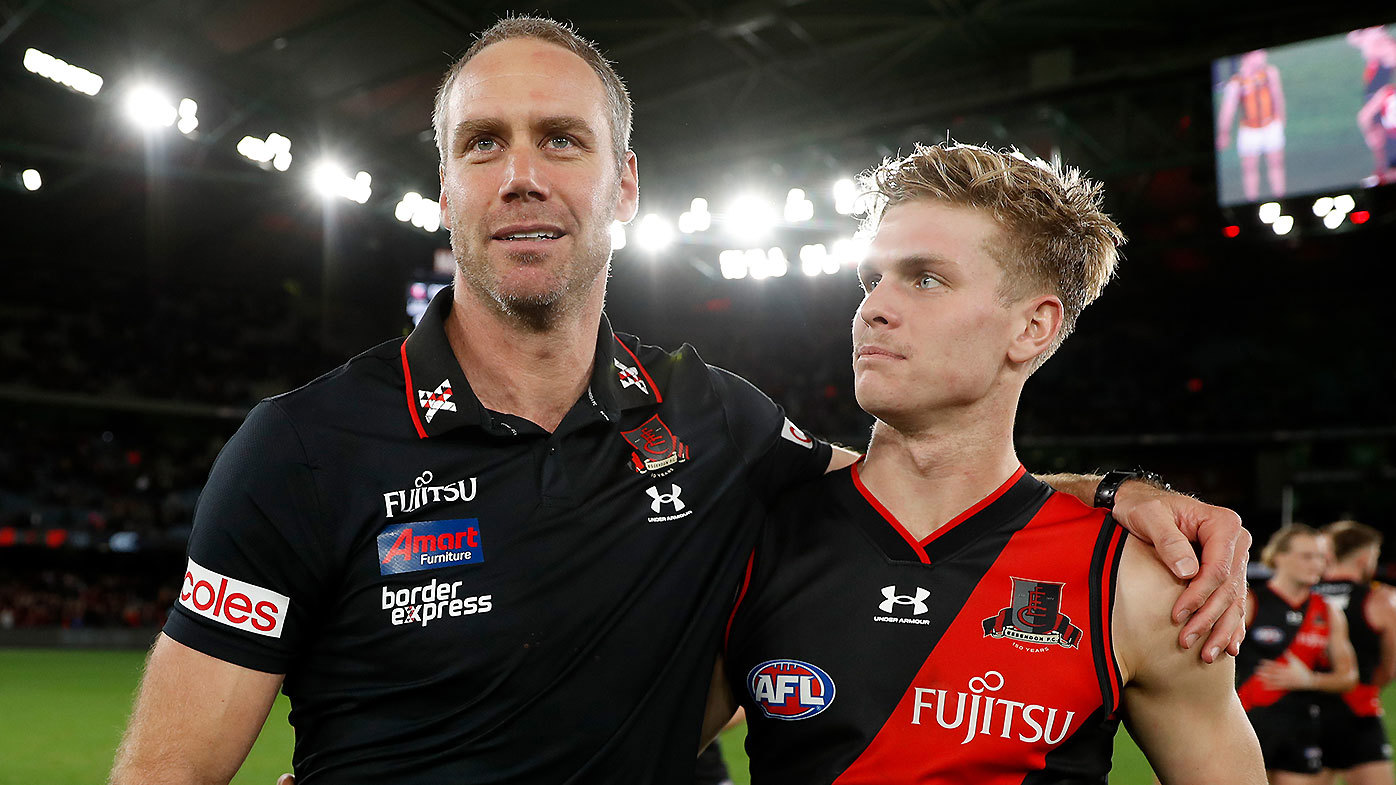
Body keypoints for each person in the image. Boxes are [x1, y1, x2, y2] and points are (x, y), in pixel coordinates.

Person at [108, 17, 1250, 785]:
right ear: (444, 184)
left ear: (625, 187)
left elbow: (924, 488)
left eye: (562, 139)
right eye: (481, 143)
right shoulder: (304, 446)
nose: (521, 174)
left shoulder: (718, 421)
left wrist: (1117, 492)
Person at [714, 142, 1264, 784]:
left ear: (1032, 328)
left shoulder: (1132, 582)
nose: (872, 309)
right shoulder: (754, 540)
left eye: (925, 279)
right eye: (872, 280)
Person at [1238, 524, 1358, 783]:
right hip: (1247, 726)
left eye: (1321, 557)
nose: (1317, 564)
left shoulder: (1328, 613)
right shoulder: (1249, 602)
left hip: (1300, 731)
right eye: (1307, 556)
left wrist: (1309, 680)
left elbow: (1348, 677)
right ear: (1278, 556)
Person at [1314, 521, 1396, 785]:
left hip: (1306, 713)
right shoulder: (1381, 599)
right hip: (1358, 711)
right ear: (1364, 557)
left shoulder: (1303, 596)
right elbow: (1392, 666)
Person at [1216, 49, 1288, 202]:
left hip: (1271, 124)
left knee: (1276, 165)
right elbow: (1228, 109)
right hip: (1250, 130)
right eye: (1258, 53)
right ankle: (1252, 202)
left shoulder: (1269, 73)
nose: (1263, 57)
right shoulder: (1238, 81)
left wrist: (1281, 117)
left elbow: (1277, 95)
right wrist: (1224, 132)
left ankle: (1281, 197)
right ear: (1247, 57)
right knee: (1250, 170)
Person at [1347, 27, 1396, 186]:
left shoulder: (1386, 51)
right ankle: (1384, 173)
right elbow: (1353, 38)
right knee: (1377, 139)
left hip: (1384, 101)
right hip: (1379, 104)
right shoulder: (1375, 53)